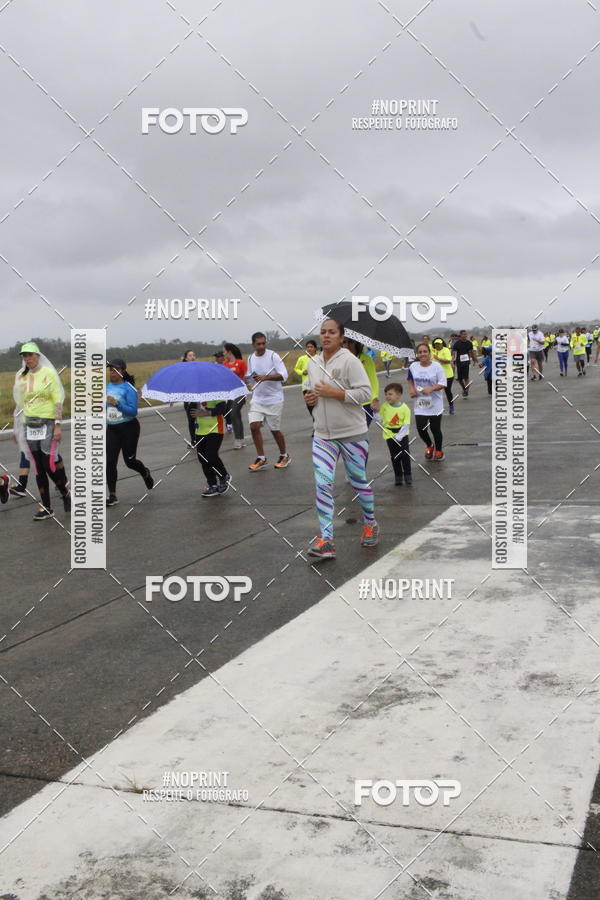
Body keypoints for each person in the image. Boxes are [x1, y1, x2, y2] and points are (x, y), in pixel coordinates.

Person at [304, 318, 379, 559]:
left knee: (358, 482)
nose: (326, 336)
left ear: (341, 336)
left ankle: (370, 524)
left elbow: (365, 393)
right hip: (323, 435)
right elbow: (310, 389)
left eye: (331, 332)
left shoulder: (350, 361)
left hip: (352, 434)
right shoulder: (312, 363)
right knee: (323, 484)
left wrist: (335, 393)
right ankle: (326, 539)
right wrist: (309, 398)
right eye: (323, 332)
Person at [13, 342, 71, 520]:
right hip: (29, 424)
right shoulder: (21, 376)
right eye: (24, 356)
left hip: (48, 423)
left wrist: (58, 425)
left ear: (38, 356)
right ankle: (46, 507)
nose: (27, 358)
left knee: (49, 464)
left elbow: (58, 400)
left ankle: (65, 493)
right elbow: (20, 404)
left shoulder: (48, 374)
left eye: (30, 355)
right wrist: (17, 428)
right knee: (38, 468)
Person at [106, 359, 154, 507]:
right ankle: (112, 495)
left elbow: (133, 412)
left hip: (129, 428)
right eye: (110, 370)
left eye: (115, 370)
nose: (112, 372)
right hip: (112, 429)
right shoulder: (106, 387)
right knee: (110, 462)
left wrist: (117, 404)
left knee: (130, 462)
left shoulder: (129, 389)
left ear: (123, 370)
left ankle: (144, 472)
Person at [245, 332, 291, 470]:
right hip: (258, 398)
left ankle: (284, 455)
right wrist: (247, 379)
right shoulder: (251, 358)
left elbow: (284, 375)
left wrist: (266, 377)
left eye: (263, 343)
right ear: (253, 344)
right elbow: (251, 376)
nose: (261, 346)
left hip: (274, 399)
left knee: (274, 430)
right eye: (258, 344)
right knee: (254, 427)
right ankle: (261, 458)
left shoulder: (273, 356)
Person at [407, 343, 447, 460]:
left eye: (425, 351)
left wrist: (431, 388)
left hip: (435, 403)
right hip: (420, 403)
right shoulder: (413, 366)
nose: (423, 354)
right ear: (417, 354)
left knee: (435, 429)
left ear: (429, 352)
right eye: (420, 352)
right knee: (421, 428)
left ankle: (439, 451)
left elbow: (443, 383)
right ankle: (429, 445)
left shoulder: (437, 366)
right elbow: (409, 379)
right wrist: (412, 389)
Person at [190, 399, 231, 497]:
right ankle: (212, 485)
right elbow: (191, 413)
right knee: (203, 458)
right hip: (200, 431)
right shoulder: (195, 396)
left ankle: (224, 475)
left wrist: (206, 412)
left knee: (211, 455)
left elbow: (222, 409)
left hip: (215, 429)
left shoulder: (215, 393)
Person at [343, 337, 379, 427]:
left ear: (356, 343)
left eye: (350, 342)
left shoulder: (366, 358)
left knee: (362, 431)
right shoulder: (341, 360)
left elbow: (373, 380)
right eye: (344, 342)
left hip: (365, 403)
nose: (347, 345)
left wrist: (374, 398)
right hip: (348, 403)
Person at [380, 383, 412, 485]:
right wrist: (376, 412)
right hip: (389, 435)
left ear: (399, 395)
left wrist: (399, 437)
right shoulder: (384, 406)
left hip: (402, 435)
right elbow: (381, 419)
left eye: (390, 394)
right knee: (394, 456)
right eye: (386, 394)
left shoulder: (405, 408)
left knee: (405, 455)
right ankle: (398, 476)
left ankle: (408, 475)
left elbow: (406, 423)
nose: (387, 396)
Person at [223, 343, 248, 449]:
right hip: (230, 393)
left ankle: (237, 439)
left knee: (233, 413)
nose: (223, 354)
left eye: (224, 351)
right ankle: (241, 439)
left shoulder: (241, 362)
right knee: (236, 415)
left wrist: (244, 382)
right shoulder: (224, 364)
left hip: (240, 392)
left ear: (229, 352)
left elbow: (247, 376)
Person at [294, 339, 319, 419]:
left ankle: (318, 424)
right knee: (310, 406)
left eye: (311, 347)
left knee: (318, 406)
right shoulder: (302, 359)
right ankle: (315, 422)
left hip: (317, 386)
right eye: (307, 347)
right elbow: (296, 369)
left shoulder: (319, 358)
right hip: (306, 386)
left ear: (315, 348)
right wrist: (302, 372)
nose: (309, 349)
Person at [180, 349, 199, 449]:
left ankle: (198, 439)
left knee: (198, 419)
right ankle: (194, 440)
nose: (192, 357)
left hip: (196, 398)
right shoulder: (183, 370)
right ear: (186, 358)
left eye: (193, 355)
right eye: (190, 356)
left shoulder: (197, 368)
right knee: (191, 421)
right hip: (187, 398)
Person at [431, 338, 455, 414]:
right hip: (436, 376)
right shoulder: (433, 351)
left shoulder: (446, 350)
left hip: (447, 375)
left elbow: (448, 361)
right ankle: (437, 407)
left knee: (447, 391)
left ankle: (451, 406)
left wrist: (439, 358)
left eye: (439, 343)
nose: (437, 345)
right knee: (436, 392)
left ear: (442, 344)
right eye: (436, 344)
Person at [452, 329, 477, 397]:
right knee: (460, 379)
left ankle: (466, 391)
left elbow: (471, 352)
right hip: (459, 362)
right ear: (460, 335)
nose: (465, 335)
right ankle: (464, 388)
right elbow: (454, 354)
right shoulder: (456, 344)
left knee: (466, 377)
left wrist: (474, 360)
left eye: (466, 334)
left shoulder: (469, 343)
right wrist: (453, 362)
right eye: (463, 334)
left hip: (466, 362)